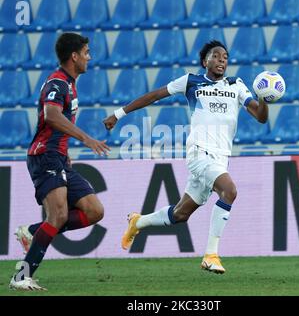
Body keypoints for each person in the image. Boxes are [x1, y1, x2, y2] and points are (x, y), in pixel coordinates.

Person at [103, 40, 268, 274]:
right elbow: (154, 96)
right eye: (216, 56)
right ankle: (211, 255)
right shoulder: (191, 81)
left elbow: (261, 117)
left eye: (225, 57)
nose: (222, 60)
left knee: (180, 214)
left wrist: (264, 98)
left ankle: (138, 222)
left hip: (220, 158)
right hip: (200, 153)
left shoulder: (237, 85)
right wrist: (119, 114)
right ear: (205, 61)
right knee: (229, 191)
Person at [9, 33, 110, 291]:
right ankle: (22, 276)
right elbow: (51, 116)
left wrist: (65, 153)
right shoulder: (57, 82)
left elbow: (56, 122)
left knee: (94, 211)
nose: (89, 57)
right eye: (86, 52)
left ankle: (33, 231)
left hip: (59, 157)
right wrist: (86, 139)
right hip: (45, 156)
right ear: (74, 56)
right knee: (59, 214)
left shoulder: (70, 83)